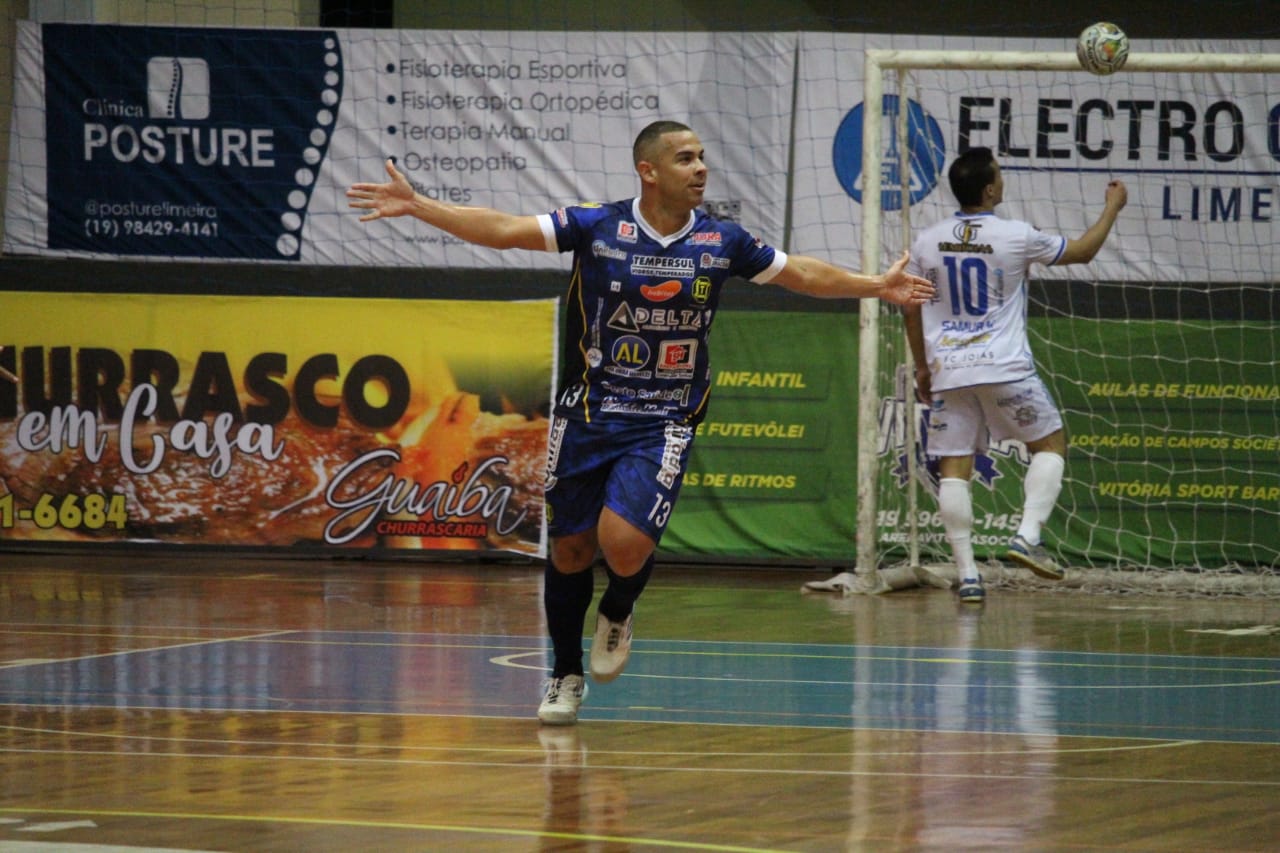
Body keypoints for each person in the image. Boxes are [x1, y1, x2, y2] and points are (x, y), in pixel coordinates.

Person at [348, 119, 935, 724]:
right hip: (587, 411)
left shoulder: (722, 239)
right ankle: (565, 673)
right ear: (648, 171)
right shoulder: (597, 226)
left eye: (702, 157)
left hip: (665, 416)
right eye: (685, 158)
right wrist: (419, 205)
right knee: (571, 549)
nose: (700, 168)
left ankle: (619, 607)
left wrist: (876, 286)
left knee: (623, 546)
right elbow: (503, 231)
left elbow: (802, 275)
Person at [903, 146, 1127, 603]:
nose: (1003, 181)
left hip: (949, 370)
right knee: (1051, 444)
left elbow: (909, 305)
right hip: (1003, 366)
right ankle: (1027, 535)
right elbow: (1084, 252)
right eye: (1000, 176)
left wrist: (922, 366)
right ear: (989, 190)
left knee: (954, 467)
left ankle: (968, 576)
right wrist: (1112, 207)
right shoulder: (1016, 235)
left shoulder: (926, 241)